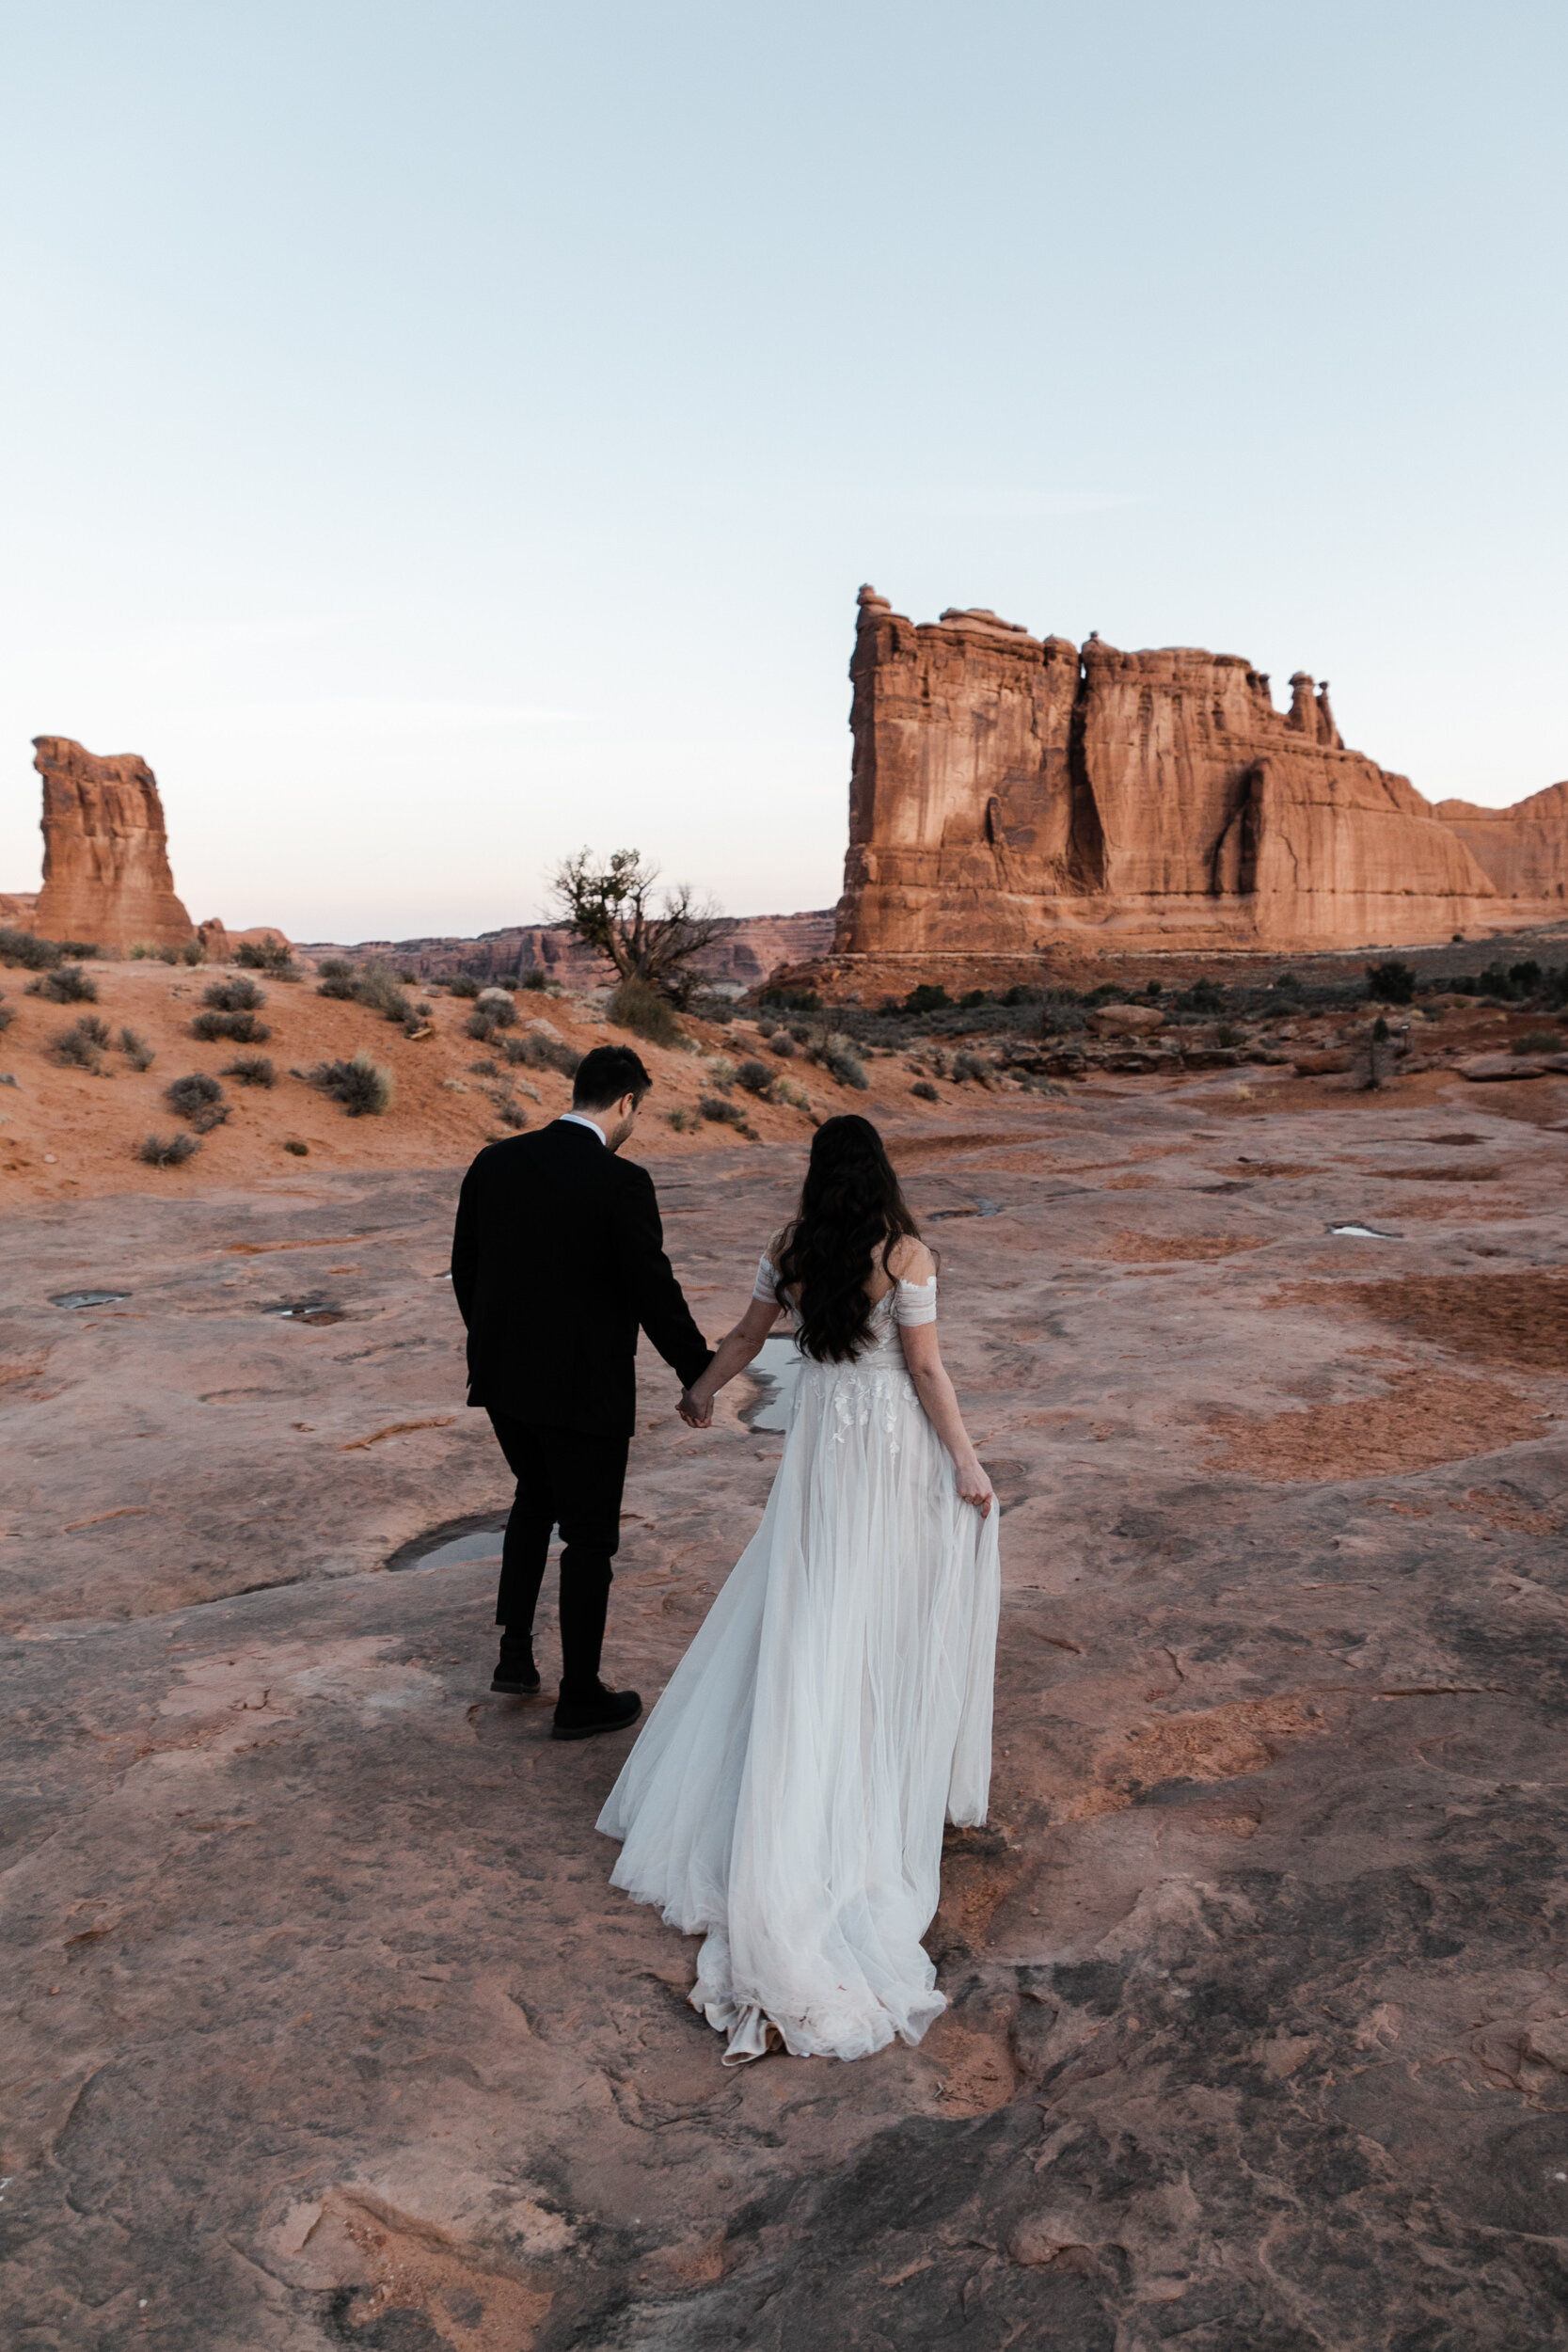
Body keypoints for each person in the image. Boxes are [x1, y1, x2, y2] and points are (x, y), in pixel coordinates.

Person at [598, 1113, 1001, 2062]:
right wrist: (968, 1462)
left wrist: (699, 1390)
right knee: (875, 1600)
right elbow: (926, 1365)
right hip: (889, 1441)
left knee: (808, 1594)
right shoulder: (904, 1250)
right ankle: (863, 1760)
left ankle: (809, 1746)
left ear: (819, 1174)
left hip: (823, 1441)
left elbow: (744, 1337)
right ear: (881, 1170)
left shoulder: (789, 1248)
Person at [450, 1041, 713, 1740]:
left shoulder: (494, 1162)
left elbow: (464, 1267)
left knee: (534, 1501)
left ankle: (514, 1657)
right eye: (638, 1110)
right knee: (590, 1537)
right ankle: (579, 1695)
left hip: (504, 1385)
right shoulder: (621, 1181)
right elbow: (651, 1290)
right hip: (585, 1392)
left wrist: (495, 1346)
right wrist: (699, 1374)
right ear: (626, 1101)